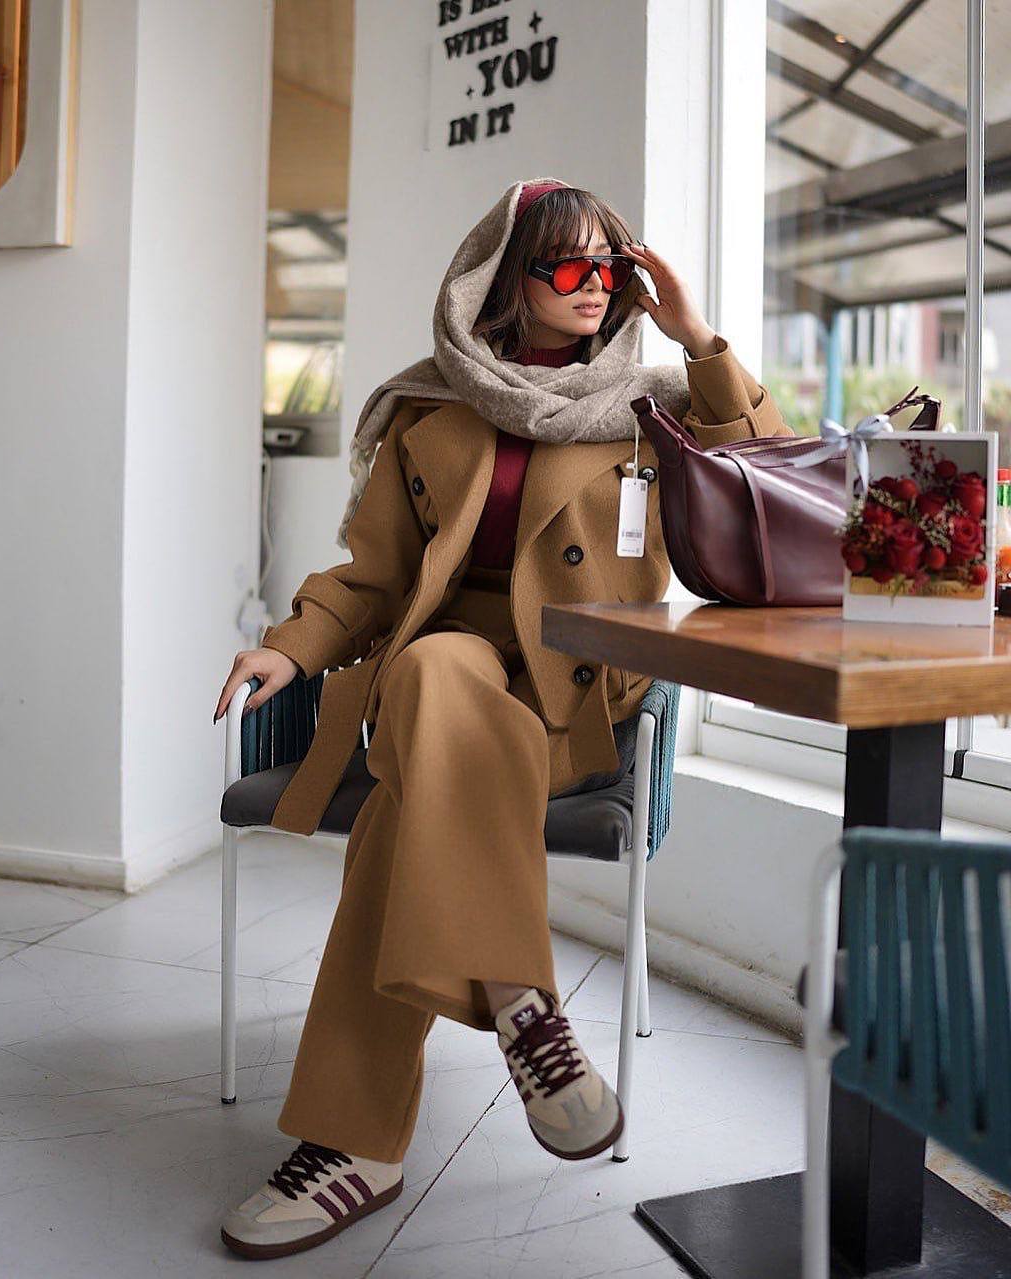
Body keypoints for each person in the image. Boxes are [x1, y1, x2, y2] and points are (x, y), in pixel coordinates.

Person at [212, 176, 792, 1260]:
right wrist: (290, 645)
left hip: (576, 686)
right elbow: (373, 577)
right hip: (449, 673)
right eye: (567, 264)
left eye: (609, 266)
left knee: (403, 811)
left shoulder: (657, 404)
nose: (593, 285)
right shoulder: (427, 407)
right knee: (433, 668)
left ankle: (353, 1145)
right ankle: (524, 1001)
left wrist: (696, 333)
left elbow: (770, 472)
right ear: (504, 280)